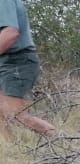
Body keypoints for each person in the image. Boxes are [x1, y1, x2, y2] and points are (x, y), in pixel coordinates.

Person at [0, 0, 55, 138]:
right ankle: (12, 153)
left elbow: (10, 33)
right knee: (2, 115)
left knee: (14, 115)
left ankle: (68, 145)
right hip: (6, 60)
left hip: (16, 61)